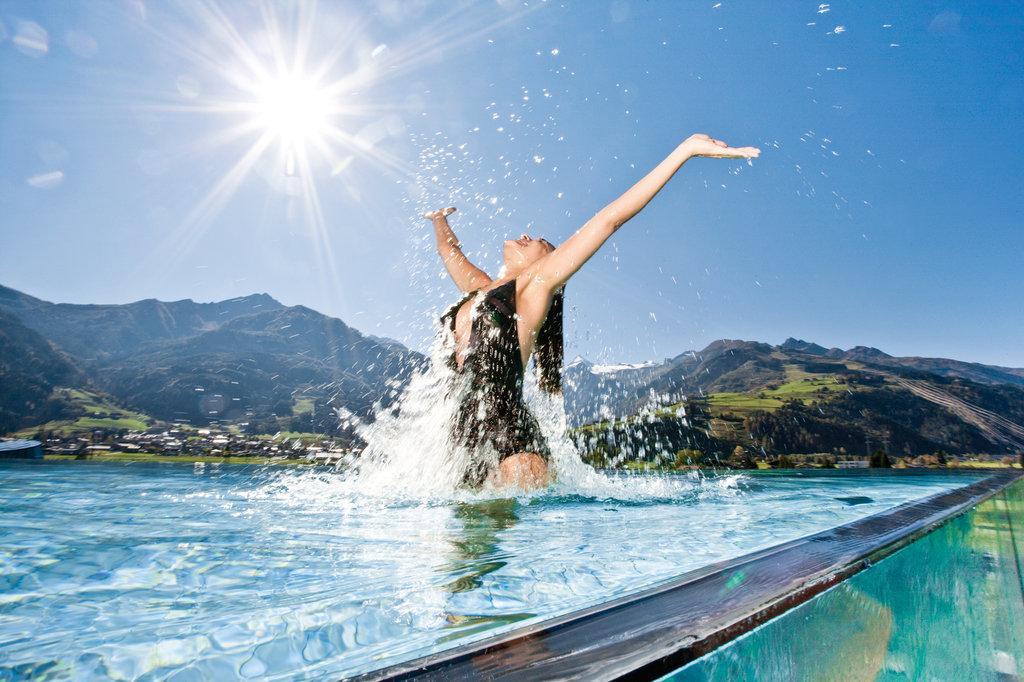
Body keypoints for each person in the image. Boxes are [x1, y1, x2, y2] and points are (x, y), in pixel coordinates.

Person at [425, 133, 760, 489]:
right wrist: (438, 219)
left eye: (539, 241)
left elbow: (608, 220)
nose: (527, 234)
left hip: (513, 441)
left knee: (515, 541)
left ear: (549, 262)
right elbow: (450, 252)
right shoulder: (480, 290)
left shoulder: (534, 287)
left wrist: (685, 150)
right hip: (464, 438)